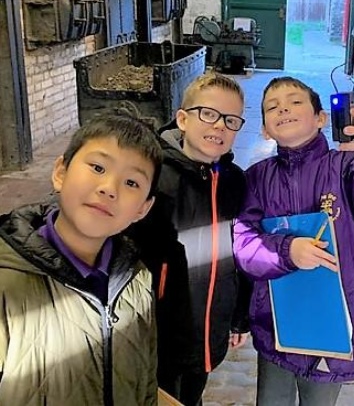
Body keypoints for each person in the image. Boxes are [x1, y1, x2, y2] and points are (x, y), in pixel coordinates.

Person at [233, 76, 354, 405]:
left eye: (295, 102)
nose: (283, 108)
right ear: (265, 130)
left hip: (334, 323)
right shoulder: (257, 178)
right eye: (272, 107)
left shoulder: (347, 166)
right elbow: (243, 244)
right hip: (277, 321)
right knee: (271, 399)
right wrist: (287, 251)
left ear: (321, 118)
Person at [0, 111, 163, 405]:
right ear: (60, 173)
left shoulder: (138, 281)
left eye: (131, 183)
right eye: (98, 167)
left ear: (143, 208)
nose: (109, 188)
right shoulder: (7, 284)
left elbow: (146, 383)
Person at [131, 71, 251, 406]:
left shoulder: (236, 182)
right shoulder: (153, 177)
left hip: (210, 332)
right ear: (183, 119)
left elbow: (241, 254)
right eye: (208, 114)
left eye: (230, 120)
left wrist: (239, 316)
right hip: (159, 335)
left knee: (193, 394)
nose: (219, 126)